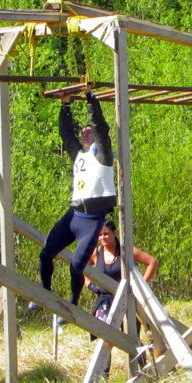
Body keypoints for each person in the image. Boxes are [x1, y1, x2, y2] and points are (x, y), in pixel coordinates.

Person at [39, 90, 117, 310]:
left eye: (88, 133)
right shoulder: (79, 155)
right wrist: (65, 105)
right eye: (83, 133)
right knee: (46, 253)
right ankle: (44, 292)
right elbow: (66, 134)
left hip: (92, 218)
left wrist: (91, 102)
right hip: (74, 215)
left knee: (76, 265)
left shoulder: (102, 155)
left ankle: (73, 302)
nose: (85, 135)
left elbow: (101, 128)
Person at [85, 220, 158, 338]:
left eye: (106, 234)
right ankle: (105, 357)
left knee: (131, 338)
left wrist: (141, 286)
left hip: (126, 300)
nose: (103, 237)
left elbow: (152, 262)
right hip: (104, 300)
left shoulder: (127, 251)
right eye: (100, 235)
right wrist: (90, 285)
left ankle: (138, 356)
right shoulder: (97, 253)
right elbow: (81, 268)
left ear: (114, 233)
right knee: (102, 337)